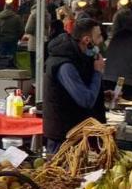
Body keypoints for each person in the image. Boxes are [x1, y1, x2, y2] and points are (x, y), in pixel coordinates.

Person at [43, 16, 106, 153]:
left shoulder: (79, 58)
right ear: (87, 40)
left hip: (76, 134)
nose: (101, 40)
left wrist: (101, 93)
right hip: (64, 137)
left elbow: (82, 89)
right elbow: (86, 99)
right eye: (99, 36)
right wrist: (97, 72)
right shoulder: (65, 64)